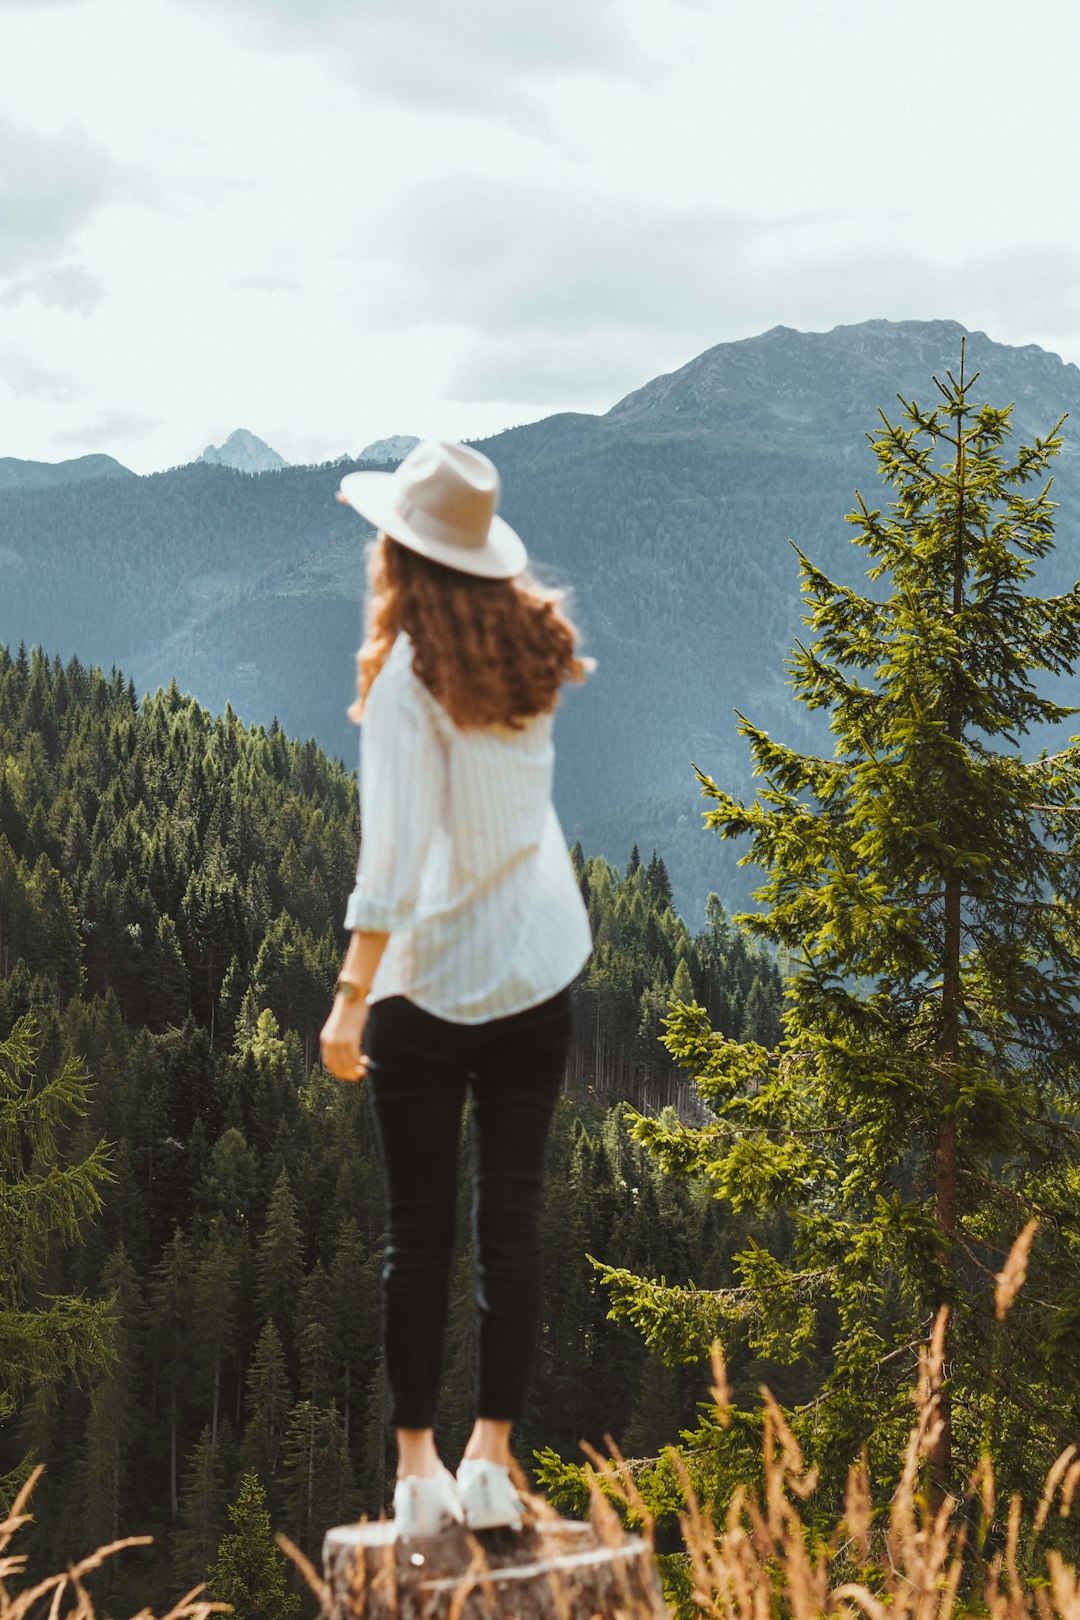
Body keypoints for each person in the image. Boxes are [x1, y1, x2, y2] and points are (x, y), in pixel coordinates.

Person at [319, 439, 593, 1539]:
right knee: (511, 1222)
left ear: (401, 553)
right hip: (537, 966)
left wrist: (350, 995)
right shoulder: (535, 652)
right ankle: (492, 1459)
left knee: (418, 1231)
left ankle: (417, 1470)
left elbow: (390, 863)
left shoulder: (406, 682)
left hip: (430, 987)